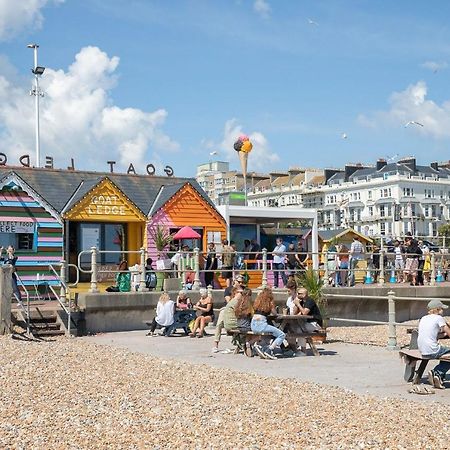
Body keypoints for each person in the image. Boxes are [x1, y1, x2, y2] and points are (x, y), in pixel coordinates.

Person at [418, 299, 450, 389]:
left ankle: (438, 376)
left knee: (446, 354)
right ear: (438, 309)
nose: (443, 311)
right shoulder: (439, 318)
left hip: (422, 349)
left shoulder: (423, 318)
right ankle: (437, 372)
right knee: (448, 354)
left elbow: (431, 335)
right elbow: (448, 331)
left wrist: (442, 335)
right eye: (442, 309)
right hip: (432, 350)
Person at [251, 288, 286, 360]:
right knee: (281, 334)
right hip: (261, 324)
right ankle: (270, 350)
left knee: (268, 334)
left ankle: (263, 348)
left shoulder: (258, 302)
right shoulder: (270, 302)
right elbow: (274, 313)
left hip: (253, 324)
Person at [291, 287, 323, 355]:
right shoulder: (302, 301)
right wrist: (296, 304)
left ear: (304, 294)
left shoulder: (309, 301)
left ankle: (303, 351)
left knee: (300, 330)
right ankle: (293, 348)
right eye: (297, 293)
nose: (297, 295)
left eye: (299, 294)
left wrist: (298, 304)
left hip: (315, 323)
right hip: (307, 323)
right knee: (292, 329)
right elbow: (294, 314)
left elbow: (305, 312)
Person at [212, 285, 243, 353]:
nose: (241, 283)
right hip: (227, 310)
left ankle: (239, 343)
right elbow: (229, 302)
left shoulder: (243, 290)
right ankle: (215, 344)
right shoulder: (228, 290)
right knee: (219, 324)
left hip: (233, 312)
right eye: (239, 281)